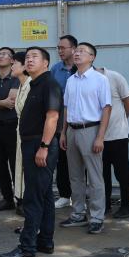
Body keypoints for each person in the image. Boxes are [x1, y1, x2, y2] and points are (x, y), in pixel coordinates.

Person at [0, 47, 62, 257]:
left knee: (33, 197)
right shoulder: (33, 84)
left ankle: (26, 247)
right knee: (44, 196)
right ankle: (45, 241)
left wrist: (43, 146)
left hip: (39, 144)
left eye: (35, 56)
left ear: (46, 63)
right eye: (27, 57)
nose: (29, 60)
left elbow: (52, 117)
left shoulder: (49, 84)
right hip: (31, 143)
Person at [59, 43, 112, 235]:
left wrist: (100, 137)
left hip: (90, 130)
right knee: (75, 176)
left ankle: (97, 217)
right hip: (72, 130)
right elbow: (66, 107)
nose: (77, 53)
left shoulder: (100, 79)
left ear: (92, 57)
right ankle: (78, 213)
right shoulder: (71, 80)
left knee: (95, 177)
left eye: (82, 51)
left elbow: (106, 108)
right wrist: (63, 132)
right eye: (76, 51)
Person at [96, 64, 129, 219]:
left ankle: (127, 206)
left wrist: (120, 120)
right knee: (101, 174)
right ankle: (104, 206)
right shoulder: (86, 81)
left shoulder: (114, 77)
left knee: (122, 173)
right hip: (97, 137)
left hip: (118, 135)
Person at [0, 46, 21, 212]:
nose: (0, 56)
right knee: (0, 166)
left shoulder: (16, 78)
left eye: (5, 54)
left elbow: (11, 102)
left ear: (12, 60)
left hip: (12, 126)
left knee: (16, 165)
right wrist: (1, 103)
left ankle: (20, 200)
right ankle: (7, 199)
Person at [50, 35, 78, 208]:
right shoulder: (55, 69)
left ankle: (80, 196)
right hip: (59, 123)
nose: (60, 51)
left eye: (63, 48)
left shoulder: (82, 68)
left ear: (74, 49)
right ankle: (64, 195)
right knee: (61, 160)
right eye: (58, 48)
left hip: (80, 122)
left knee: (80, 162)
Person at [11, 51, 31, 212]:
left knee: (27, 167)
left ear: (24, 66)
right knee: (19, 165)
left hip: (29, 133)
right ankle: (20, 198)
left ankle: (28, 201)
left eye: (14, 64)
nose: (11, 66)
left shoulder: (31, 84)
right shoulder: (21, 84)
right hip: (20, 131)